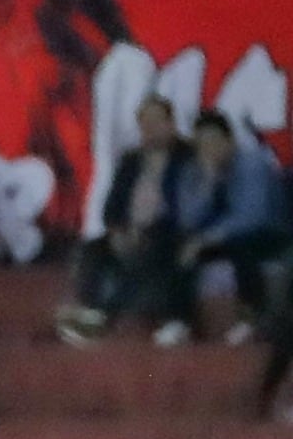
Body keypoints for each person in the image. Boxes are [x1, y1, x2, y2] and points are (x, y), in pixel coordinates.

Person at [59, 96, 186, 345]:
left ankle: (106, 316)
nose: (150, 128)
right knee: (92, 250)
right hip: (128, 229)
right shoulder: (131, 161)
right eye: (145, 123)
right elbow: (112, 207)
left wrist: (146, 230)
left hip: (168, 230)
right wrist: (119, 230)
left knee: (154, 247)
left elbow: (186, 206)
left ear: (170, 123)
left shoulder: (185, 157)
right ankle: (91, 309)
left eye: (156, 121)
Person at [169, 111, 287, 346]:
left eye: (214, 140)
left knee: (242, 245)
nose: (209, 148)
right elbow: (188, 219)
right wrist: (208, 182)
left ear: (229, 140)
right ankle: (181, 320)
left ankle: (250, 319)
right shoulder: (195, 169)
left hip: (268, 232)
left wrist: (207, 238)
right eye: (202, 143)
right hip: (220, 236)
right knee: (178, 247)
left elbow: (251, 217)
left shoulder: (252, 163)